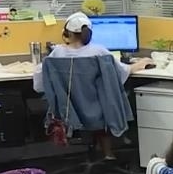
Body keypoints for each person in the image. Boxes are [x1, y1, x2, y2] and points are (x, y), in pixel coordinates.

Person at [33, 12, 152, 160]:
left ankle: (97, 151)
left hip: (69, 112)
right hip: (99, 112)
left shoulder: (56, 53)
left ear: (66, 33)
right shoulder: (99, 52)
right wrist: (141, 63)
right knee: (121, 95)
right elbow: (122, 73)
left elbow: (39, 83)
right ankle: (108, 154)